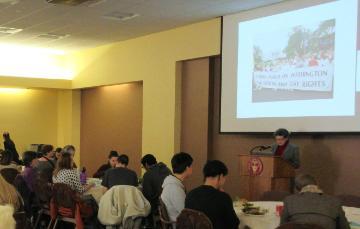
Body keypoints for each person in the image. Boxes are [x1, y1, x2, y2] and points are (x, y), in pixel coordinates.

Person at [280, 174, 350, 229]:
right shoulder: (335, 201)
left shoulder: (289, 200)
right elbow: (344, 227)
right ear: (316, 184)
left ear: (297, 188)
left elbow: (282, 225)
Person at [185, 160, 240, 229]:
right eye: (224, 177)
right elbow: (234, 224)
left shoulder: (190, 195)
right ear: (220, 176)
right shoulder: (223, 198)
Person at [161, 152, 193, 225]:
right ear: (187, 168)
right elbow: (185, 212)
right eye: (191, 166)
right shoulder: (174, 188)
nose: (192, 169)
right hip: (179, 224)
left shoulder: (172, 183)